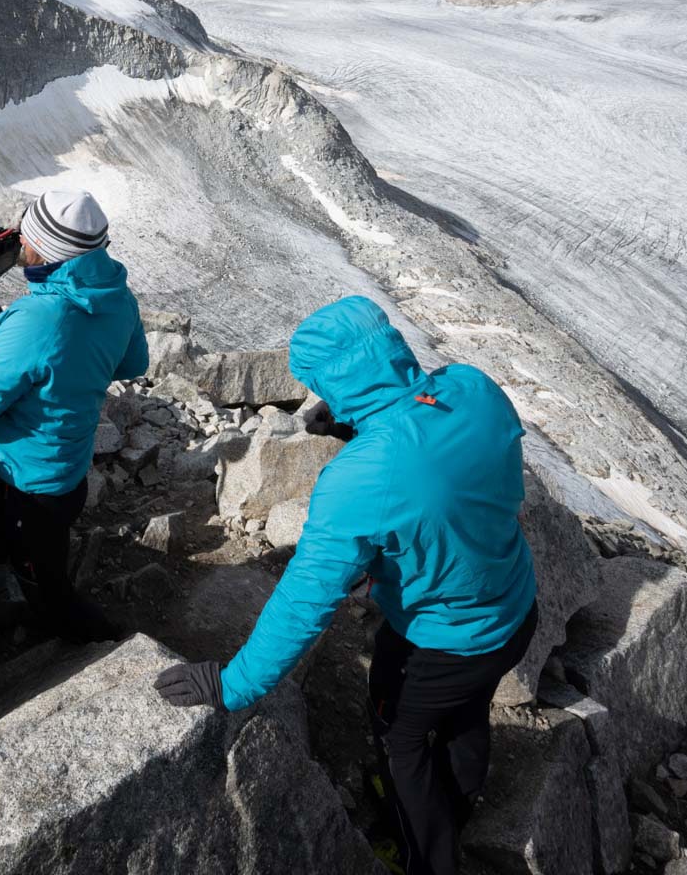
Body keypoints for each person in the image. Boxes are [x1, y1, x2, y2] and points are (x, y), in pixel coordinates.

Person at [153, 295, 538, 875]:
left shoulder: (359, 481)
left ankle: (427, 859)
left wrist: (231, 684)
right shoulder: (472, 388)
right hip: (512, 610)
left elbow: (304, 601)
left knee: (403, 743)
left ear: (334, 381)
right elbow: (460, 475)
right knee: (466, 712)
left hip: (444, 639)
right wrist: (367, 430)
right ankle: (458, 805)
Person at [0, 189, 149, 642]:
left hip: (31, 488)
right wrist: (75, 366)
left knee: (47, 583)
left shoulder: (38, 318)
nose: (20, 246)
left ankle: (97, 639)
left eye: (27, 239)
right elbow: (133, 365)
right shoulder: (115, 293)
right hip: (69, 471)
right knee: (50, 547)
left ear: (50, 253)